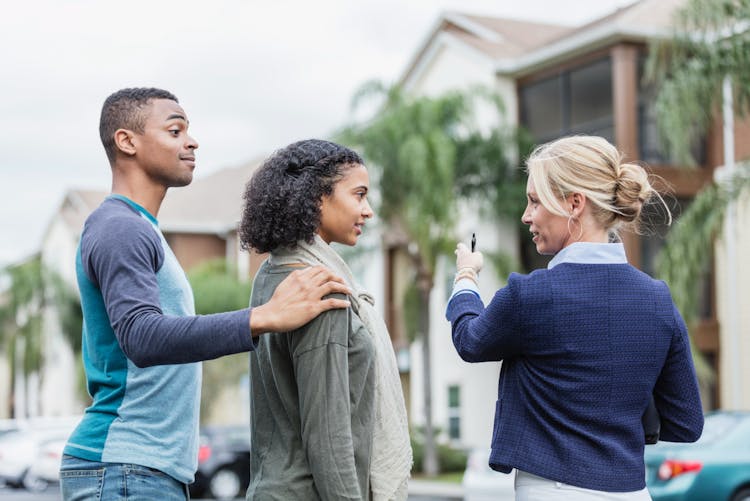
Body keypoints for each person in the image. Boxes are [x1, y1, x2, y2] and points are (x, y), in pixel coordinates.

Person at [59, 88, 352, 501]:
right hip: (124, 469)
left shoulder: (141, 230)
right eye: (175, 130)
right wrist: (263, 316)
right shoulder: (119, 227)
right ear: (127, 141)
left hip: (142, 471)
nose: (191, 142)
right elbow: (142, 337)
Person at [446, 135, 704, 500]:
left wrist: (465, 277)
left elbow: (470, 341)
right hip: (632, 492)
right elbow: (686, 423)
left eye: (535, 201)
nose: (526, 215)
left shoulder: (531, 295)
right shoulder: (658, 299)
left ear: (574, 204)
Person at [239, 139, 412, 500]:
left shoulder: (271, 275)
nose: (368, 211)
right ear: (317, 197)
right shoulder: (321, 289)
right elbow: (328, 438)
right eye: (359, 195)